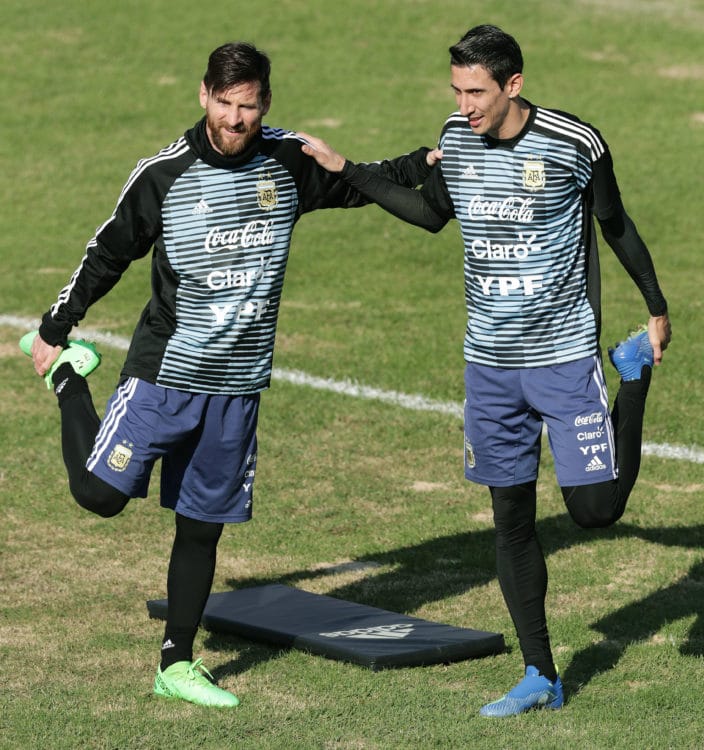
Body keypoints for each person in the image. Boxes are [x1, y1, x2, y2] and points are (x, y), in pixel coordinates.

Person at [20, 41, 437, 708]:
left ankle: (176, 664)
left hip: (238, 385)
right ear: (203, 95)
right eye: (225, 104)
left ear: (264, 102)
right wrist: (55, 328)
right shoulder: (165, 174)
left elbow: (362, 180)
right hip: (166, 372)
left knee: (200, 524)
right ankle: (71, 382)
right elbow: (108, 250)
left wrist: (427, 162)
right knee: (101, 495)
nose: (236, 120)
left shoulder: (287, 161)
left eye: (249, 107)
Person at [297, 24, 672, 716]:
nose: (465, 105)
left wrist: (655, 309)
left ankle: (633, 376)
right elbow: (431, 210)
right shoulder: (458, 139)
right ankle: (541, 675)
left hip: (562, 357)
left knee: (597, 511)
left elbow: (615, 224)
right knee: (510, 518)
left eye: (477, 92)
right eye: (457, 91)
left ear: (513, 85)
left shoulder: (573, 145)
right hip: (489, 366)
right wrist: (347, 168)